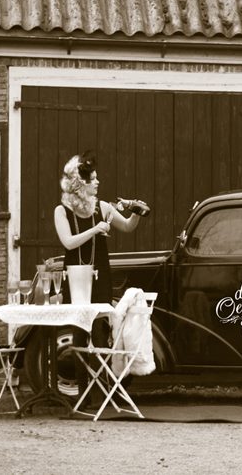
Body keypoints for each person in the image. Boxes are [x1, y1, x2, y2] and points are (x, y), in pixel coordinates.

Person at [55, 151, 149, 402]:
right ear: (80, 184)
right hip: (75, 277)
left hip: (100, 276)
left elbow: (127, 226)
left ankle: (103, 392)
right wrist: (95, 229)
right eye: (93, 179)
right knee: (78, 333)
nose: (98, 182)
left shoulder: (103, 207)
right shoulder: (62, 211)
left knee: (99, 332)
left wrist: (136, 212)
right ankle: (83, 394)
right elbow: (68, 242)